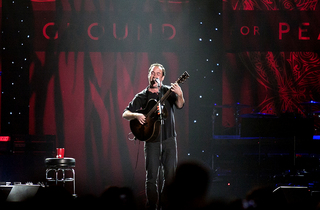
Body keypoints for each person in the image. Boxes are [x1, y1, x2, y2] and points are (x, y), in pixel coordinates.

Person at [122, 63, 185, 210]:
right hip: (151, 141)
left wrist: (180, 94)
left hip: (169, 139)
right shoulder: (143, 95)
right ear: (148, 75)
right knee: (151, 177)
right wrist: (136, 115)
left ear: (162, 77)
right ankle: (151, 206)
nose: (154, 76)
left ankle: (165, 205)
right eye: (152, 73)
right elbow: (125, 113)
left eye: (158, 74)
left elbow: (180, 105)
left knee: (170, 176)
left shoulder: (167, 92)